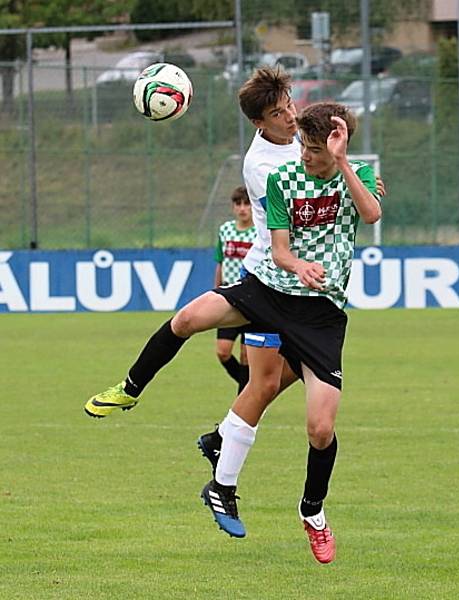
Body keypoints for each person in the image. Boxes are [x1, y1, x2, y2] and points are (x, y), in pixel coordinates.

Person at [199, 102, 381, 564]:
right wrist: (298, 266)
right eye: (302, 143)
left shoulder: (349, 173)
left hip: (322, 318)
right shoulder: (278, 176)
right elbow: (279, 249)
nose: (304, 154)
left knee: (321, 428)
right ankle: (221, 480)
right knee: (258, 382)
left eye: (315, 148)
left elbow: (372, 214)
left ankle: (312, 511)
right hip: (273, 292)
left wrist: (344, 164)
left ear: (336, 147)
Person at [84, 67, 301, 422]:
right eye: (278, 113)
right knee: (186, 320)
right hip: (266, 276)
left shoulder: (305, 134)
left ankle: (224, 435)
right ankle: (129, 389)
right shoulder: (260, 165)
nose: (290, 116)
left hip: (303, 283)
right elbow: (294, 214)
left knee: (275, 381)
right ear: (258, 123)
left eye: (289, 105)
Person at [213, 185, 256, 393]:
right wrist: (216, 290)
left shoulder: (260, 232)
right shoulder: (225, 230)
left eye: (247, 204)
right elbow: (220, 262)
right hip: (229, 298)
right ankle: (250, 388)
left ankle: (243, 403)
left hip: (252, 300)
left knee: (247, 355)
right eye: (238, 204)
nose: (242, 208)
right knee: (222, 352)